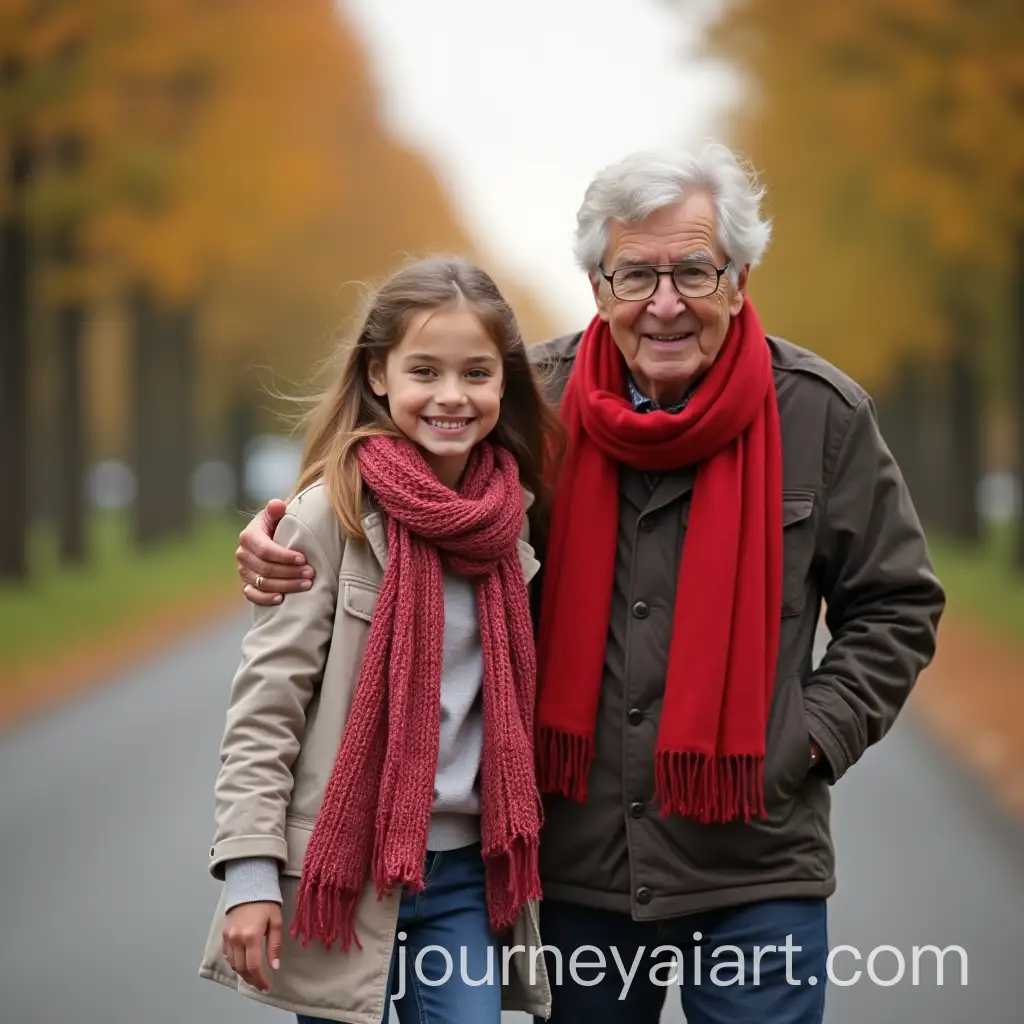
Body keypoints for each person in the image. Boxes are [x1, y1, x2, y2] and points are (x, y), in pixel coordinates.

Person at [235, 143, 946, 1024]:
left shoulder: (822, 417)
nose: (665, 303)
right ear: (598, 285)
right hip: (577, 873)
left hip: (760, 864)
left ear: (741, 275)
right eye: (634, 274)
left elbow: (898, 604)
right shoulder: (530, 403)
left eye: (694, 269)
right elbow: (396, 495)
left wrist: (805, 740)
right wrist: (284, 533)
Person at [199, 257, 564, 1024]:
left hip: (467, 876)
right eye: (424, 370)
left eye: (476, 373)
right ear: (378, 374)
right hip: (342, 871)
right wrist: (250, 876)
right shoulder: (327, 517)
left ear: (505, 381)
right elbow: (267, 710)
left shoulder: (513, 520)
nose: (452, 396)